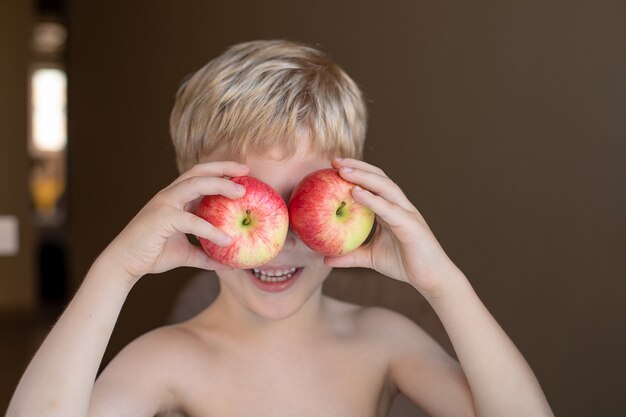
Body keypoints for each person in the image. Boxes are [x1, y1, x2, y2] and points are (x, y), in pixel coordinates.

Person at [7, 39, 554, 417]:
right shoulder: (169, 359)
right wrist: (114, 273)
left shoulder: (382, 341)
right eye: (257, 202)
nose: (281, 238)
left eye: (304, 202)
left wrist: (444, 284)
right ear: (194, 200)